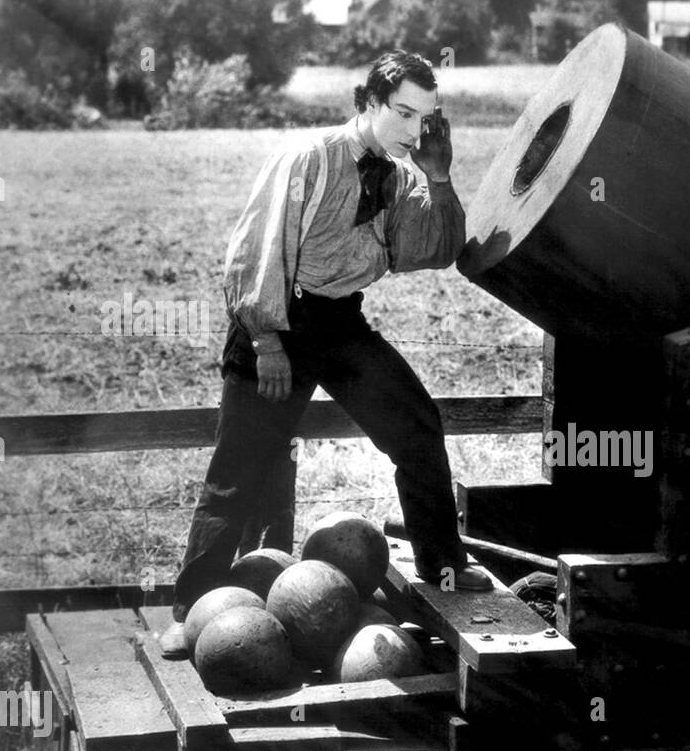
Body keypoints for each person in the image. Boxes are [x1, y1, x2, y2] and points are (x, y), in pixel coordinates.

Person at [161, 50, 492, 658]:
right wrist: (265, 341)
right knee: (240, 469)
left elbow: (432, 249)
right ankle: (192, 609)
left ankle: (442, 565)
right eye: (402, 113)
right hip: (279, 319)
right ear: (366, 103)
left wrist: (437, 176)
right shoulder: (310, 155)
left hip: (339, 323)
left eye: (427, 118)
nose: (414, 129)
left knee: (418, 426)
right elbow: (255, 249)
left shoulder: (395, 173)